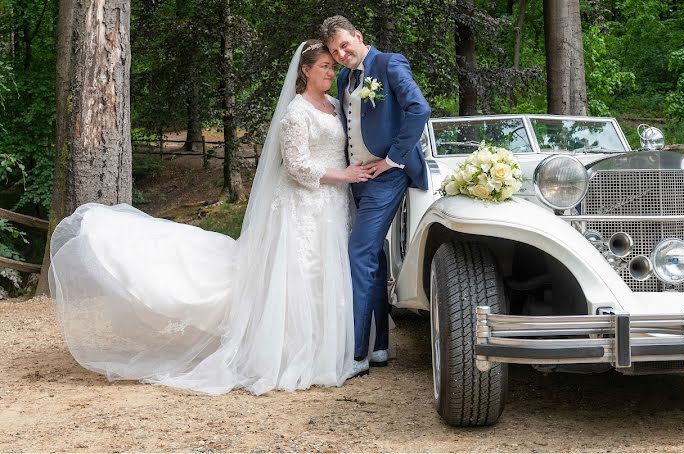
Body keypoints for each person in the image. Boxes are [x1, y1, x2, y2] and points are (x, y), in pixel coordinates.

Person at [49, 40, 373, 395]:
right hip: (304, 205)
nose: (330, 71)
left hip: (333, 205)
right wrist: (343, 176)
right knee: (302, 274)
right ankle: (294, 354)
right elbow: (296, 167)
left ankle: (332, 349)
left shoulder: (334, 105)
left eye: (332, 66)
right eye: (324, 66)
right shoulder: (295, 113)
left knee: (328, 273)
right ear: (306, 70)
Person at [320, 16, 431, 376]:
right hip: (358, 179)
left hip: (388, 175)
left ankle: (355, 355)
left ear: (358, 36)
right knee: (376, 257)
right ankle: (379, 346)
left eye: (344, 45)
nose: (341, 54)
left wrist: (394, 158)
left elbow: (420, 109)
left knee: (358, 252)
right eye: (335, 51)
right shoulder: (344, 78)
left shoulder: (389, 63)